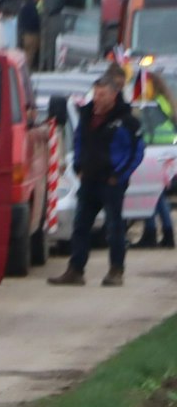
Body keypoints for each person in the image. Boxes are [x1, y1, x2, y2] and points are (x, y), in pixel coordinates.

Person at [49, 67, 145, 288]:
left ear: (113, 95)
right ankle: (75, 270)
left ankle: (116, 271)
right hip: (89, 180)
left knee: (114, 228)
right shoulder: (86, 115)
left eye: (102, 94)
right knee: (81, 227)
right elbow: (79, 141)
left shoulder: (127, 121)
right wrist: (78, 167)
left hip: (112, 183)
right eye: (96, 94)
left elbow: (136, 153)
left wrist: (119, 176)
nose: (97, 99)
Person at [134, 67, 175, 248]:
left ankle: (152, 232)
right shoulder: (163, 101)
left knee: (153, 194)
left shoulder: (153, 104)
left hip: (154, 149)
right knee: (157, 195)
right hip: (164, 151)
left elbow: (145, 125)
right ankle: (165, 233)